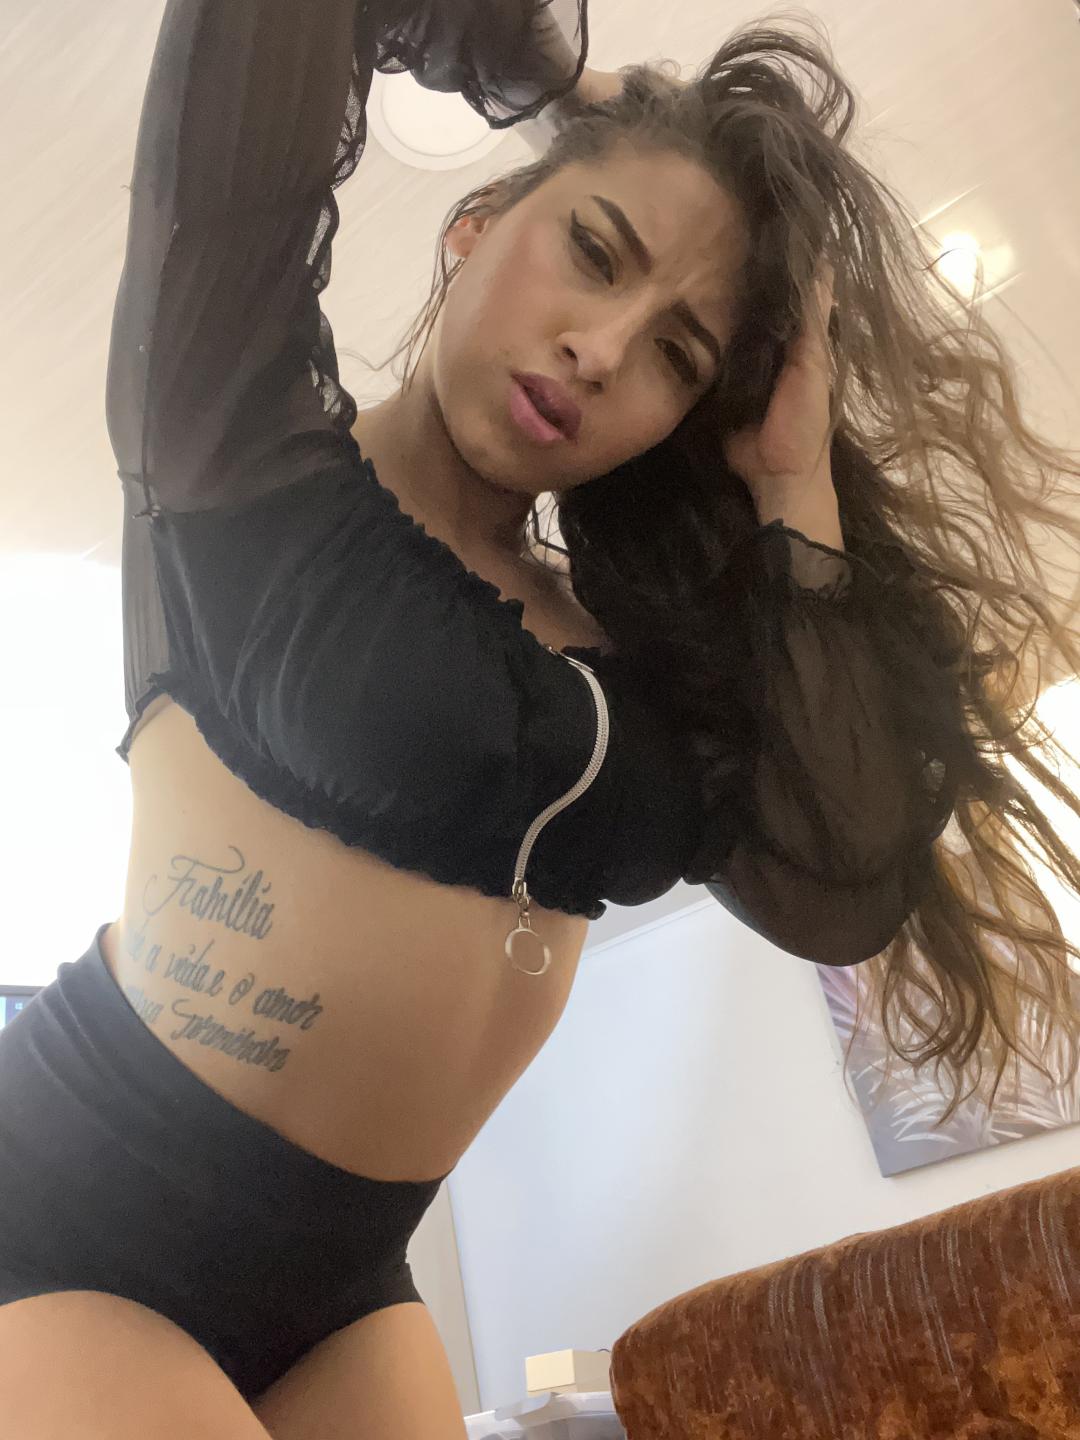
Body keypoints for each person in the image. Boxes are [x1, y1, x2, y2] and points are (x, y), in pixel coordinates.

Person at [2, 1, 1079, 1435]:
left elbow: (836, 887)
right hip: (71, 1216)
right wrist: (555, 74)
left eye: (681, 354)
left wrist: (793, 476)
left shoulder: (628, 659)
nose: (603, 348)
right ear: (475, 225)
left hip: (345, 1283)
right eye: (594, 251)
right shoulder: (235, 463)